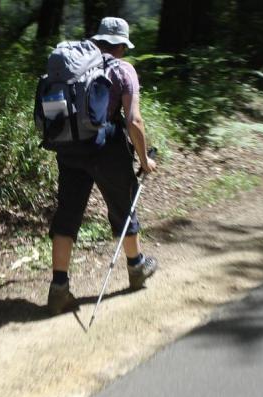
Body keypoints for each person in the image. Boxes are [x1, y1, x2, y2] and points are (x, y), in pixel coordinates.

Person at [47, 17, 158, 315]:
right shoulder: (124, 70)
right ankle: (136, 269)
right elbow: (133, 120)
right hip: (106, 146)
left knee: (68, 213)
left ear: (98, 40)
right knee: (124, 205)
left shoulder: (73, 65)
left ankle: (58, 287)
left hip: (70, 146)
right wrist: (145, 159)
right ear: (121, 44)